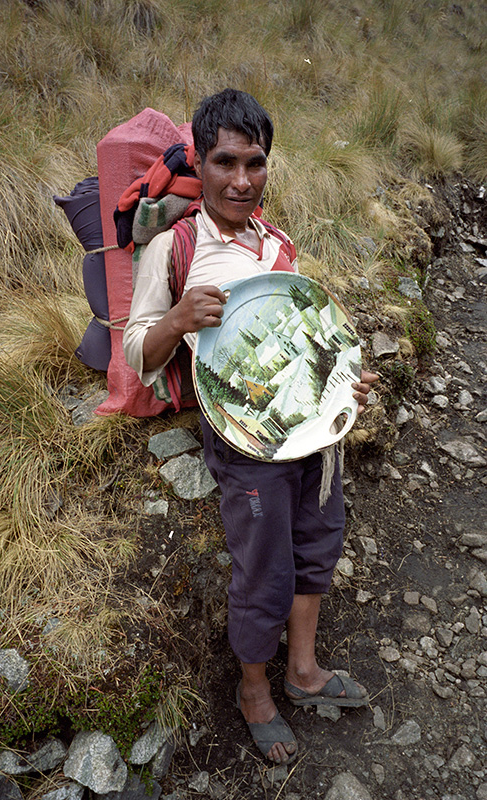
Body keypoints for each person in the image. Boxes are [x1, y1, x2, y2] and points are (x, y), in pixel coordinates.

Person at [123, 88, 378, 765]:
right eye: (226, 162)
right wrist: (177, 319)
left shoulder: (277, 243)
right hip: (244, 440)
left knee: (318, 542)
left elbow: (307, 339)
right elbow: (137, 354)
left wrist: (346, 381)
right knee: (263, 566)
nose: (242, 180)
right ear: (199, 165)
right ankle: (254, 689)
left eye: (255, 163)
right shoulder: (175, 247)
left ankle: (303, 671)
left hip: (313, 432)